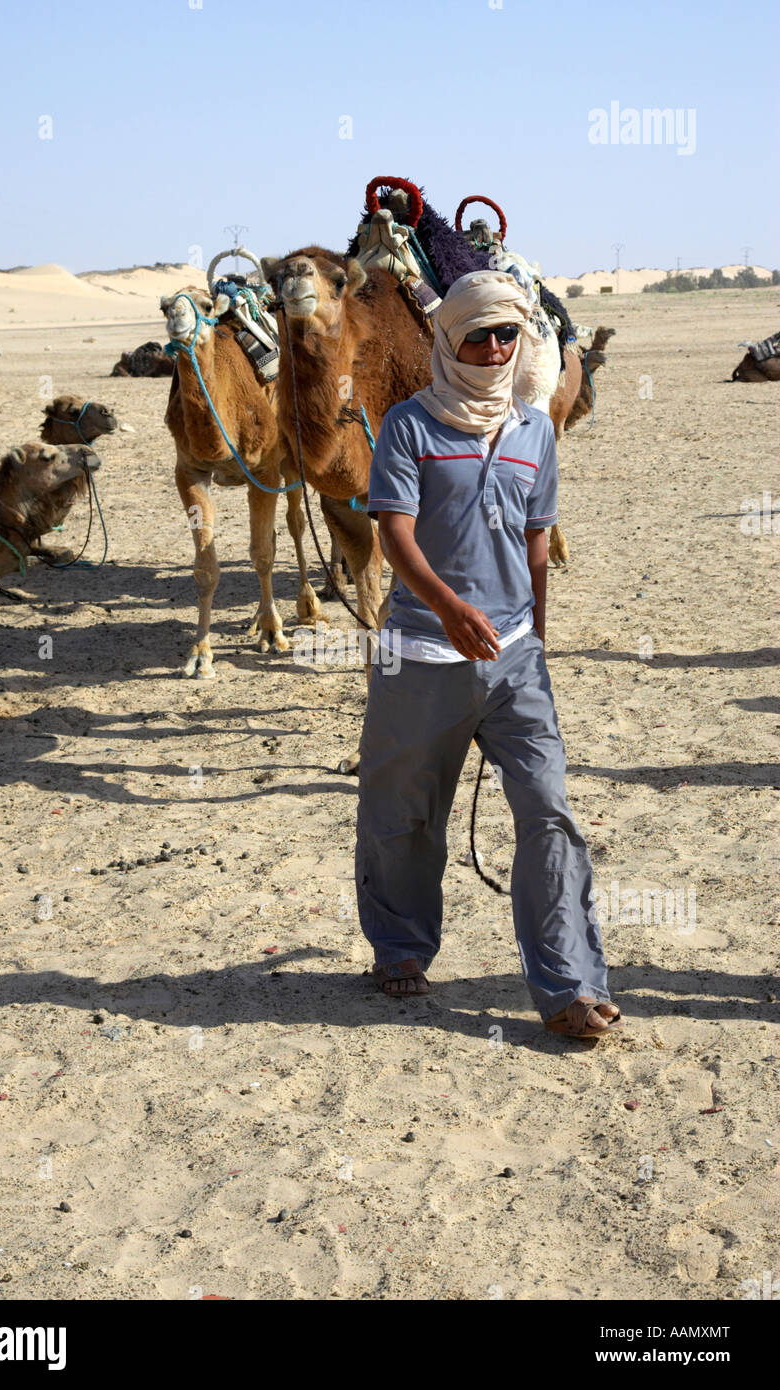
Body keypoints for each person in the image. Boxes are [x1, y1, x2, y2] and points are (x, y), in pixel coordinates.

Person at [354, 270, 621, 1039]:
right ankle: (400, 949)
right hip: (420, 656)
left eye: (508, 333)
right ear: (449, 340)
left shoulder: (535, 429)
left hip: (514, 661)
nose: (496, 347)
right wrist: (448, 608)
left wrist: (532, 634)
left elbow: (536, 537)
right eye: (481, 333)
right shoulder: (408, 426)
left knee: (549, 814)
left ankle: (570, 985)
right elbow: (393, 535)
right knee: (403, 813)